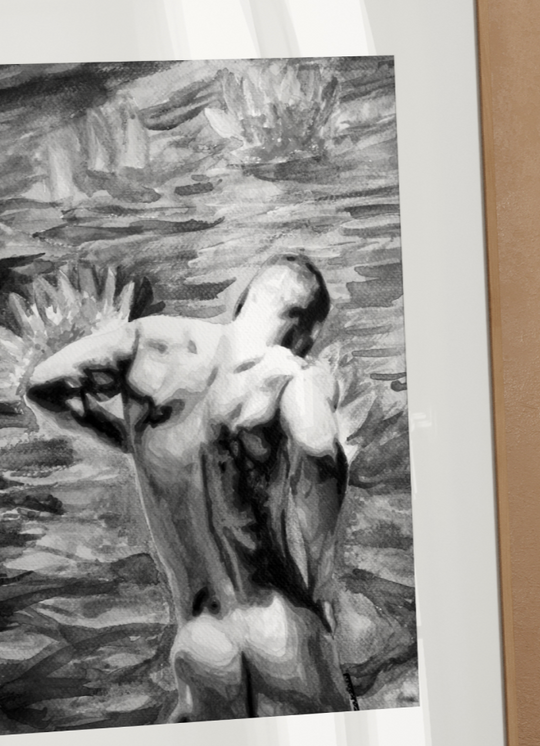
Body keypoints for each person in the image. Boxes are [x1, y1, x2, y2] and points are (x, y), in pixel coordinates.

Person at [25, 255, 356, 721]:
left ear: (246, 301)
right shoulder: (289, 372)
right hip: (278, 627)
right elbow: (319, 449)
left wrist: (127, 440)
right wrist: (320, 581)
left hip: (201, 644)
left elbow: (43, 383)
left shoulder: (147, 342)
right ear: (305, 329)